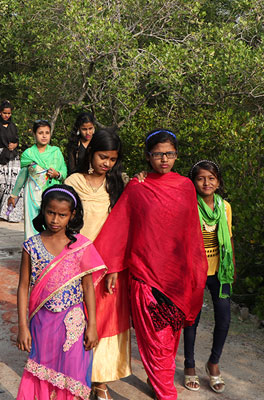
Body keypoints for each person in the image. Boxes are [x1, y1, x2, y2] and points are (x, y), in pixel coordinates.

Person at [93, 129, 208, 400]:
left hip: (177, 280)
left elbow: (192, 234)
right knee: (156, 340)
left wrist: (195, 273)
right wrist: (112, 267)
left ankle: (159, 379)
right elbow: (122, 227)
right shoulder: (138, 187)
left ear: (177, 155)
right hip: (146, 279)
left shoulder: (185, 187)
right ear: (148, 156)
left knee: (169, 340)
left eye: (169, 153)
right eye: (158, 154)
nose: (164, 159)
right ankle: (166, 392)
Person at [16, 184, 106, 400]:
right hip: (42, 323)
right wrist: (22, 326)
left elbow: (88, 288)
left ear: (72, 215)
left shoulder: (81, 247)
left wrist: (92, 325)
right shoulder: (31, 246)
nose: (55, 219)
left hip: (73, 322)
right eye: (50, 212)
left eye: (62, 215)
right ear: (43, 211)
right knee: (42, 372)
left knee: (72, 374)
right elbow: (22, 286)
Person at [65, 130, 129, 399]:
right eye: (103, 157)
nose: (107, 164)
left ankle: (99, 380)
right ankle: (72, 373)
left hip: (105, 265)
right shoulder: (74, 181)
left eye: (113, 159)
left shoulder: (116, 188)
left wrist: (114, 266)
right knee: (73, 320)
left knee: (103, 321)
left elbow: (122, 228)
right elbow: (58, 218)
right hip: (73, 262)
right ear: (91, 153)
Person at [183, 160, 235, 394]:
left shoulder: (225, 208)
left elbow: (229, 238)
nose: (207, 182)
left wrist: (232, 265)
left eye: (211, 178)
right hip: (194, 270)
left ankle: (213, 363)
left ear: (219, 182)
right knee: (192, 319)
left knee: (224, 319)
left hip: (220, 271)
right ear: (193, 182)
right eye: (201, 178)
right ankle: (190, 366)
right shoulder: (188, 205)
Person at [8, 120, 67, 239]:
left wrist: (57, 174)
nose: (44, 136)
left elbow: (64, 171)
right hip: (32, 195)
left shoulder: (56, 152)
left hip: (51, 193)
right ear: (34, 134)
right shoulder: (28, 154)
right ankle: (32, 252)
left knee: (51, 221)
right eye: (40, 133)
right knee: (32, 223)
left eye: (47, 133)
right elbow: (23, 175)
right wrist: (14, 195)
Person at [0, 100, 24, 221]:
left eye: (9, 113)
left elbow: (17, 140)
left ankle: (9, 214)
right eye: (4, 113)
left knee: (13, 185)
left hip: (13, 157)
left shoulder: (13, 126)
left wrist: (15, 145)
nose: (7, 115)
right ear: (0, 112)